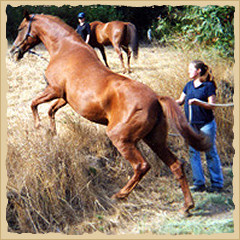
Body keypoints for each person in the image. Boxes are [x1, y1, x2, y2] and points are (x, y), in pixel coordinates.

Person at [176, 60, 224, 193]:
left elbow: (212, 106)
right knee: (193, 153)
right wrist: (165, 103)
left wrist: (198, 103)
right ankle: (199, 183)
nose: (188, 71)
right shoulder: (188, 86)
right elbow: (180, 101)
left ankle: (217, 184)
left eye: (191, 69)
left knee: (210, 152)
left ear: (198, 71)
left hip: (206, 125)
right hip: (191, 125)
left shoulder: (208, 86)